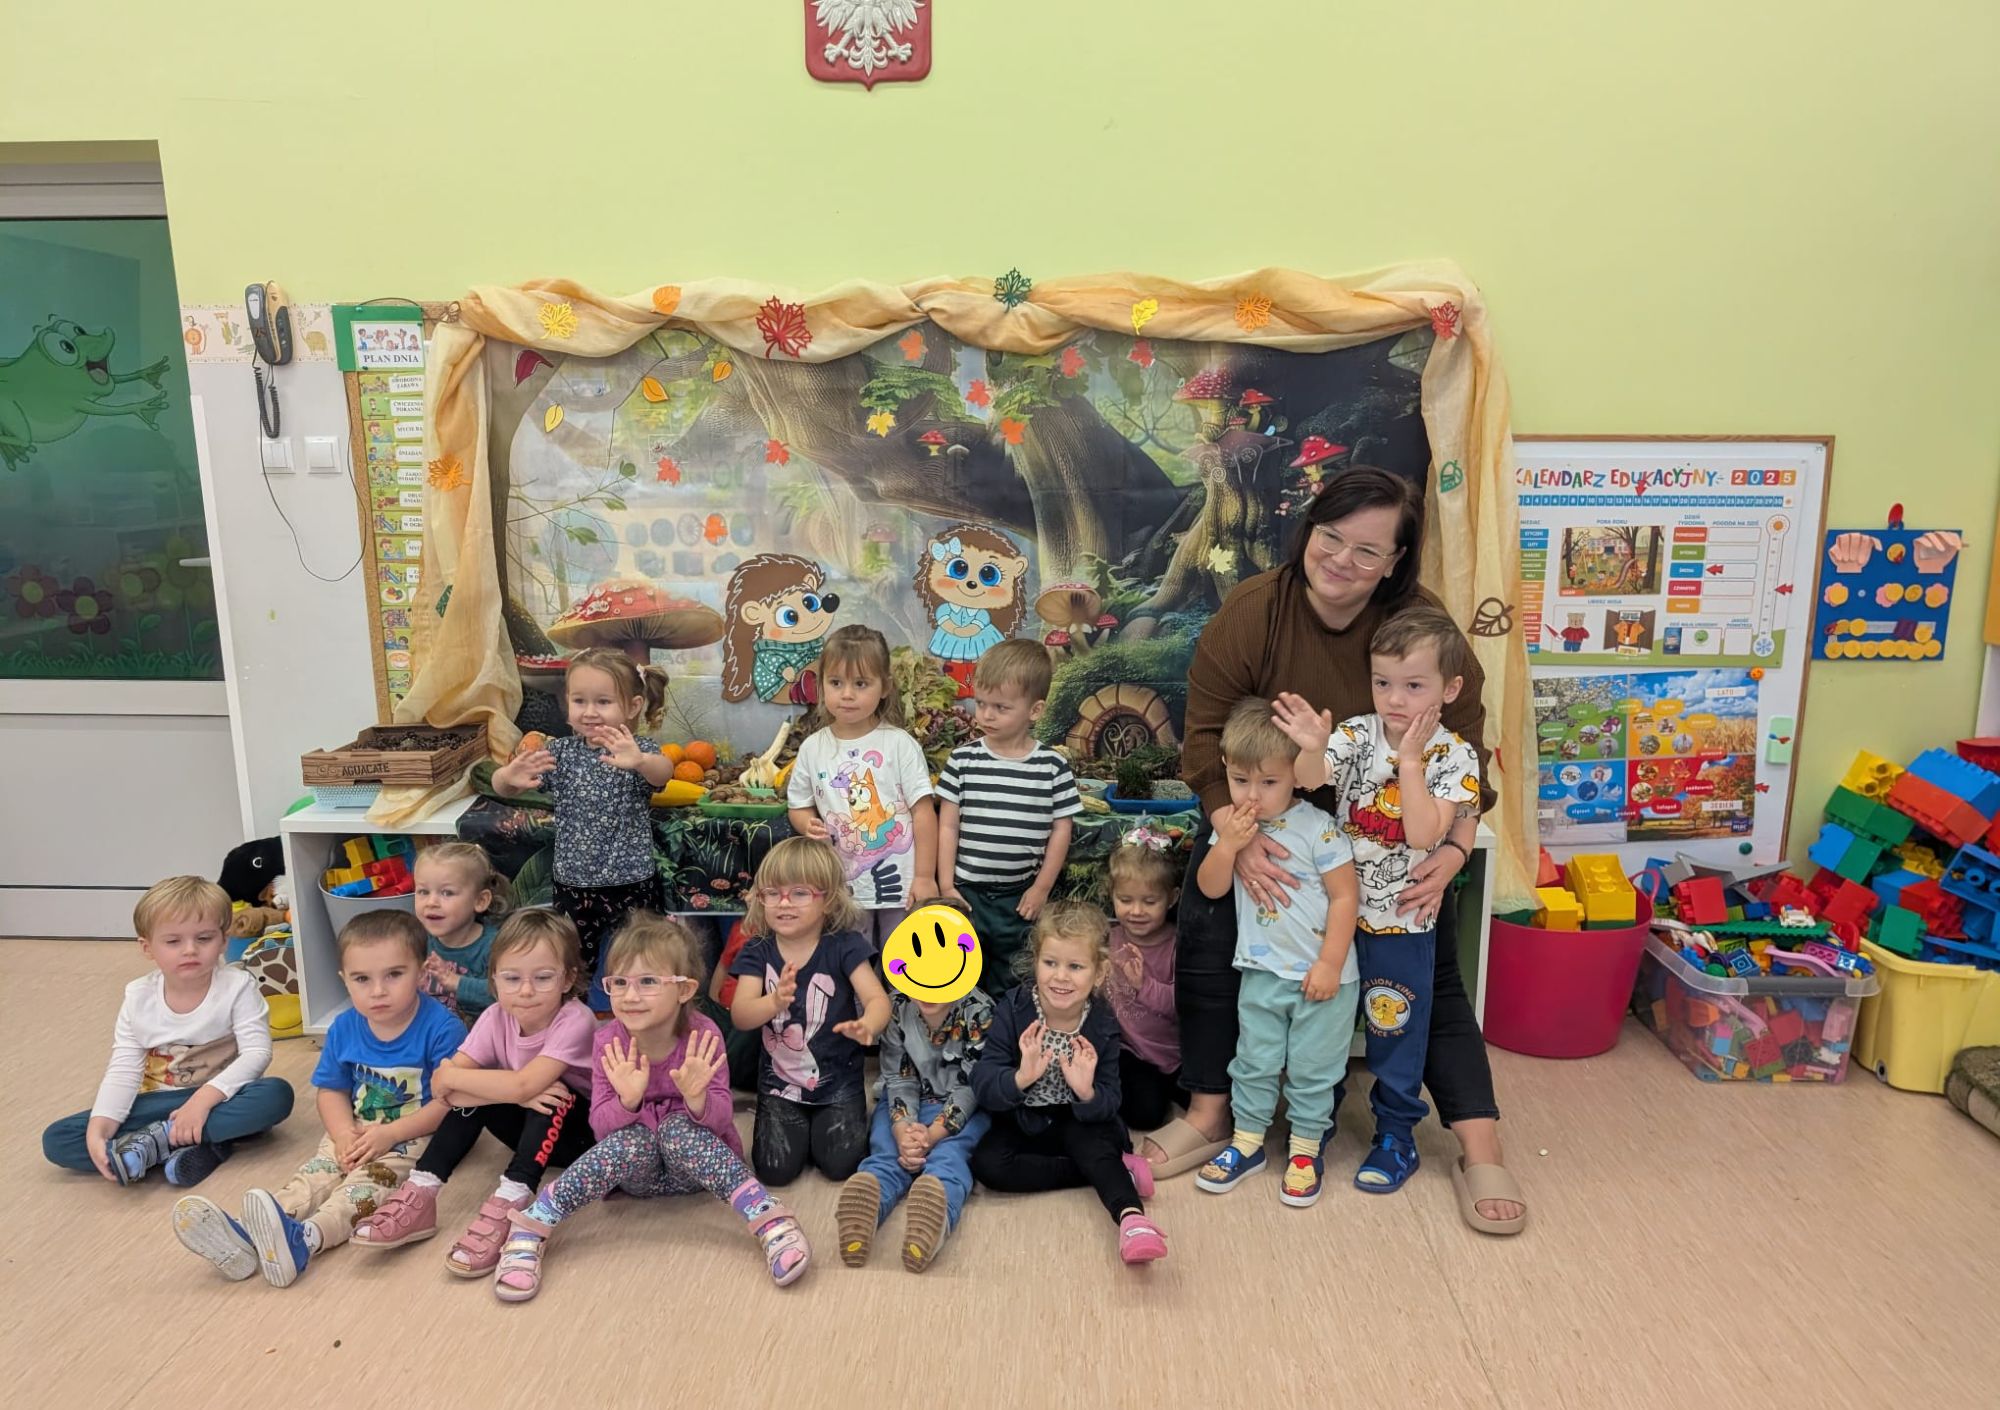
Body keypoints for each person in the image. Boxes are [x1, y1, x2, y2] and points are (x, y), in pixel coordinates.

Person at [1160, 465, 1526, 1234]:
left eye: (1368, 551)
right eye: (1331, 538)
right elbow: (1202, 737)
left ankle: (1479, 1143)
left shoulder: (1422, 627)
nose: (1342, 561)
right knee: (1206, 923)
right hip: (1271, 816)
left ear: (1396, 561)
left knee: (1433, 969)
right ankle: (1211, 1110)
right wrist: (1239, 832)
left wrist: (1455, 852)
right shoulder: (1257, 609)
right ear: (1309, 531)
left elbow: (1466, 748)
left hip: (1393, 836)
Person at [1276, 603, 1485, 1194]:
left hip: (1403, 921)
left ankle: (1396, 1135)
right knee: (1324, 1021)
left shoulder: (1454, 755)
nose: (1395, 699)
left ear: (1449, 689)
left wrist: (1410, 763)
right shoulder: (1357, 733)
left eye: (1414, 686)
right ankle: (1313, 1125)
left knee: (1396, 1030)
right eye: (1383, 682)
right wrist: (1312, 746)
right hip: (1337, 914)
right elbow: (1310, 779)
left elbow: (1422, 834)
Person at [492, 915, 811, 1300]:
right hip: (637, 1174)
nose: (630, 996)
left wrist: (697, 1099)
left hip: (694, 1170)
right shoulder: (607, 1041)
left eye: (647, 982)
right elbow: (601, 1128)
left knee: (676, 1127)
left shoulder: (703, 1033)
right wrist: (628, 1101)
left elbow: (721, 1119)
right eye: (619, 983)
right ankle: (535, 1221)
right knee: (636, 1138)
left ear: (684, 989)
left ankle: (766, 1216)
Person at [171, 910, 464, 1287]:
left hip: (412, 1138)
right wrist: (342, 1134)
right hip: (354, 1129)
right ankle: (249, 1232)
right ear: (345, 979)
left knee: (361, 1191)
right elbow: (332, 1090)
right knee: (312, 1178)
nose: (377, 991)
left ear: (421, 973)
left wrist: (392, 1134)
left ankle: (306, 1240)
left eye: (394, 974)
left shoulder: (442, 1028)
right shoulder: (344, 1027)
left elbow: (450, 1105)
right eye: (362, 979)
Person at [351, 909, 597, 1274]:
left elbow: (522, 1084)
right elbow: (443, 1089)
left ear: (568, 979)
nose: (526, 990)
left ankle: (513, 1198)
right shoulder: (495, 1016)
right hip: (527, 1131)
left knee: (551, 1091)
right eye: (512, 978)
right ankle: (422, 1188)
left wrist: (494, 1085)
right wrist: (502, 1090)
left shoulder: (575, 1019)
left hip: (582, 1138)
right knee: (481, 1087)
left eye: (543, 977)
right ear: (494, 979)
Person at [1191, 699, 1359, 1208]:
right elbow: (1211, 888)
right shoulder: (1232, 827)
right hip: (1261, 971)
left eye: (1269, 781)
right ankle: (1247, 1143)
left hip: (1324, 979)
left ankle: (1305, 1150)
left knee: (1313, 1069)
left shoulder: (1319, 828)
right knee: (1254, 1062)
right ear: (1226, 767)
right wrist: (1227, 846)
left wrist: (1330, 963)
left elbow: (1345, 898)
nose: (1252, 794)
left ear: (1295, 775)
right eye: (1240, 780)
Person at [42, 876, 294, 1186]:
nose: (190, 950)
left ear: (223, 941)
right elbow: (123, 1070)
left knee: (275, 1095)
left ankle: (154, 1144)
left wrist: (201, 1103)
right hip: (158, 1104)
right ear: (147, 947)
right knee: (58, 1139)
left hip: (221, 1100)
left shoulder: (238, 987)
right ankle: (188, 1143)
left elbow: (257, 1053)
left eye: (204, 938)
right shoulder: (138, 997)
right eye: (173, 942)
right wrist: (100, 1129)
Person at [970, 903, 1168, 1266]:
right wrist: (1020, 1078)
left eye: (1075, 967)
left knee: (1093, 1145)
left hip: (1081, 1121)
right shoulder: (1012, 1009)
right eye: (1050, 963)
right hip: (1025, 1118)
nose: (1060, 977)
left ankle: (1132, 1220)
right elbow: (983, 1083)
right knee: (987, 1165)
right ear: (1036, 962)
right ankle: (1106, 1170)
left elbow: (1111, 1100)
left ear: (1099, 973)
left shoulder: (1103, 1022)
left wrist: (1087, 1091)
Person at [493, 645, 675, 1008]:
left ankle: (633, 1017)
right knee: (574, 963)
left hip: (631, 881)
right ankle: (574, 1022)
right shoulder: (561, 752)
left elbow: (664, 773)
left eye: (603, 702)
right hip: (574, 885)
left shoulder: (638, 748)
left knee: (638, 959)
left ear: (633, 706)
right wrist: (507, 776)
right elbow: (506, 786)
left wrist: (640, 761)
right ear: (567, 703)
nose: (589, 711)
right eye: (579, 701)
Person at [728, 837, 891, 1184]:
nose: (784, 903)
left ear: (828, 900)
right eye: (773, 893)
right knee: (774, 1171)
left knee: (841, 1166)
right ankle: (801, 1129)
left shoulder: (846, 945)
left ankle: (823, 1130)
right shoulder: (757, 950)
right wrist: (773, 1002)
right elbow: (740, 1015)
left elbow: (878, 1001)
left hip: (839, 1084)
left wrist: (868, 1025)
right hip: (778, 1087)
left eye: (799, 893)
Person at [936, 638, 1081, 992]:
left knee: (1012, 978)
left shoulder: (1052, 766)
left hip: (1019, 898)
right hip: (967, 893)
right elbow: (948, 826)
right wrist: (946, 885)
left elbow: (1061, 830)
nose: (986, 715)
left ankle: (1005, 1028)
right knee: (958, 975)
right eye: (981, 703)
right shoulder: (962, 760)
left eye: (1001, 707)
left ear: (1035, 710)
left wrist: (1041, 888)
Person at [786, 624, 938, 945]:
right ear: (821, 685)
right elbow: (798, 804)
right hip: (844, 885)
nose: (847, 694)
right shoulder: (813, 748)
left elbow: (924, 812)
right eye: (836, 682)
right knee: (854, 955)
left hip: (901, 885)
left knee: (903, 954)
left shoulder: (899, 744)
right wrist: (806, 824)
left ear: (885, 687)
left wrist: (925, 876)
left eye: (860, 683)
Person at [835, 979, 993, 1273]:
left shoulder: (979, 1011)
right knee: (886, 1154)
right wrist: (903, 1131)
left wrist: (933, 1134)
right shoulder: (896, 1005)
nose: (928, 992)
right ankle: (864, 1213)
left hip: (963, 1107)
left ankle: (934, 1223)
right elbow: (899, 1078)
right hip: (907, 1100)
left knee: (950, 1159)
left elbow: (973, 1086)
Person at [1102, 828, 1183, 1134]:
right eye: (1125, 900)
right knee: (1146, 1115)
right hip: (1130, 1051)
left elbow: (1183, 1003)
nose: (1136, 911)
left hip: (1176, 1052)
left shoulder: (1177, 944)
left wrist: (1143, 985)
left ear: (1172, 898)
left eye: (1149, 901)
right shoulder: (1108, 939)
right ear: (1112, 895)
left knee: (1223, 1106)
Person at [412, 841, 511, 1025]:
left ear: (480, 901)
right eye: (423, 891)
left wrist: (455, 982)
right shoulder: (417, 939)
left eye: (447, 893)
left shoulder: (494, 946)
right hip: (431, 1029)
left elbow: (507, 991)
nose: (431, 902)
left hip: (481, 1033)